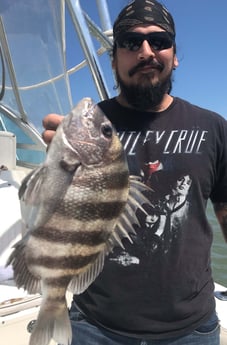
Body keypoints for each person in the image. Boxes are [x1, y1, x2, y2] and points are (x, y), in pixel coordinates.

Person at [42, 0, 227, 344]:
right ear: (113, 59)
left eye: (159, 41)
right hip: (94, 324)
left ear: (175, 54)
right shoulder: (89, 127)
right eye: (130, 42)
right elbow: (57, 213)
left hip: (191, 328)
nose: (146, 51)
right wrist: (58, 167)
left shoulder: (214, 127)